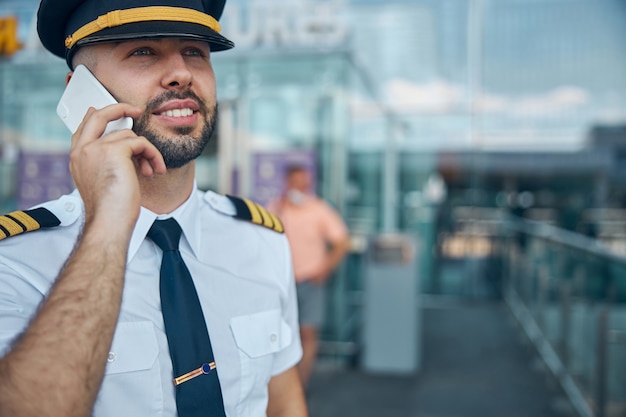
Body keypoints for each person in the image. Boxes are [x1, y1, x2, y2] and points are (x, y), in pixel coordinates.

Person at [0, 1, 307, 416]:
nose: (182, 72)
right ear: (79, 92)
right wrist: (108, 222)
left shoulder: (261, 241)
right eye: (143, 51)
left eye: (195, 52)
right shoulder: (15, 264)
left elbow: (284, 403)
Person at [267, 165, 350, 387]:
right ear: (287, 183)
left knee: (307, 334)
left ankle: (299, 387)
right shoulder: (276, 207)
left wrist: (325, 269)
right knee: (279, 335)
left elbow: (342, 242)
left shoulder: (319, 210)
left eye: (304, 183)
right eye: (296, 183)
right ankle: (280, 385)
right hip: (281, 283)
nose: (300, 188)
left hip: (309, 282)